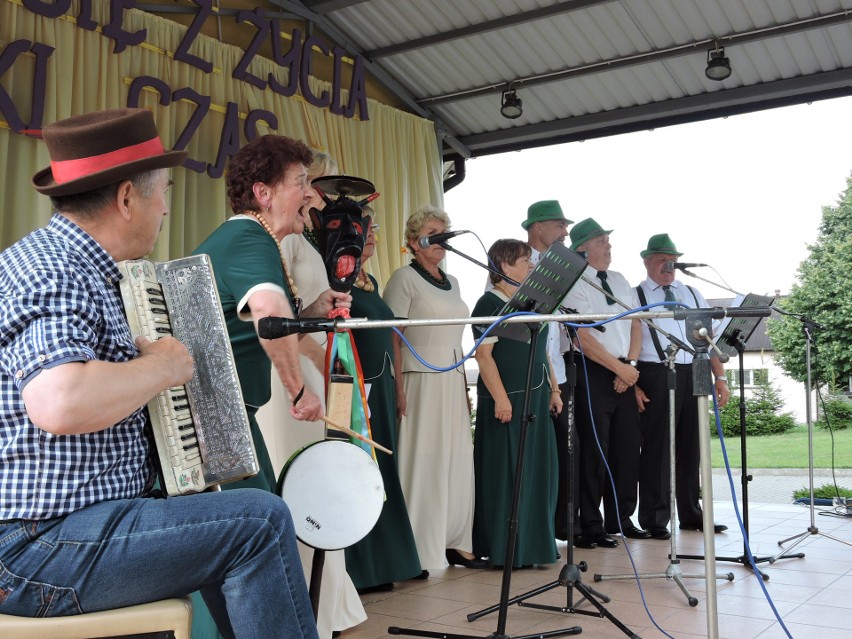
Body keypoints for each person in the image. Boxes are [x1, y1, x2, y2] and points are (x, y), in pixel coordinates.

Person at [0, 108, 317, 639]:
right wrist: (162, 366)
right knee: (259, 522)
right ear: (127, 198)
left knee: (218, 510)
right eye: (163, 192)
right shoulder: (55, 269)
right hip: (36, 548)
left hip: (67, 528)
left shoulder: (81, 267)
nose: (166, 209)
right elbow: (61, 403)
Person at [190, 134, 351, 638]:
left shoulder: (249, 239)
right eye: (301, 183)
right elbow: (266, 312)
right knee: (262, 536)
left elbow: (271, 320)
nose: (312, 195)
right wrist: (298, 389)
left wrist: (308, 318)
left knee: (240, 545)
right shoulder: (248, 236)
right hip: (216, 420)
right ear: (263, 193)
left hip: (218, 416)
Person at [274, 152, 367, 638]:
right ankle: (294, 603)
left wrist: (325, 303)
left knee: (320, 473)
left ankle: (326, 599)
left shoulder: (310, 240)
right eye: (305, 182)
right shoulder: (281, 239)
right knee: (296, 478)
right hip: (287, 370)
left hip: (313, 362)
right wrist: (313, 357)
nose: (312, 192)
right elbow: (278, 316)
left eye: (313, 184)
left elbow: (302, 304)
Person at [383, 205, 486, 570]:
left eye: (445, 231)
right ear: (414, 242)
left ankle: (455, 539)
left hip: (452, 374)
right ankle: (418, 545)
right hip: (419, 378)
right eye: (432, 231)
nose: (441, 238)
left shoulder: (454, 282)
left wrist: (462, 382)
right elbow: (393, 336)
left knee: (455, 457)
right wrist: (397, 386)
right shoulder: (403, 278)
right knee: (424, 458)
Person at [343, 206, 423, 591]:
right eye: (365, 227)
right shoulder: (338, 280)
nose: (373, 233)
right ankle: (364, 568)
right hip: (357, 391)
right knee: (362, 470)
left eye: (375, 226)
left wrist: (399, 387)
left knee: (384, 472)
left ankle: (391, 561)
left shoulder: (370, 280)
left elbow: (393, 334)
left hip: (384, 383)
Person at [471, 239, 561, 568]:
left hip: (536, 395)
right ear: (506, 266)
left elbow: (543, 351)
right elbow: (484, 356)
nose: (532, 267)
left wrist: (554, 389)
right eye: (526, 261)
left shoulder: (530, 302)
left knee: (540, 472)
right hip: (508, 401)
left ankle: (536, 546)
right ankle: (507, 549)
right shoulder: (487, 304)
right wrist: (500, 399)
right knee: (508, 474)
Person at [634, 234, 731, 538]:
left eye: (673, 258)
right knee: (658, 448)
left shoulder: (691, 292)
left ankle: (691, 513)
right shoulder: (635, 295)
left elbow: (709, 338)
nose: (669, 263)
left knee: (692, 446)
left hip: (696, 369)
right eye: (662, 257)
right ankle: (654, 518)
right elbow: (629, 340)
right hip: (656, 372)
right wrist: (635, 381)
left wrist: (721, 377)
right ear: (647, 261)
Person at [561, 217, 648, 549]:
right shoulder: (575, 281)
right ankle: (591, 524)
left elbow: (637, 323)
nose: (608, 246)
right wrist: (616, 368)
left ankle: (621, 518)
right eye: (601, 241)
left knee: (627, 449)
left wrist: (631, 366)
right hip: (593, 370)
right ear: (582, 247)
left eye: (608, 241)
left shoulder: (620, 279)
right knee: (595, 451)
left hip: (626, 370)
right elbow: (581, 335)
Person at [520, 200, 578, 541]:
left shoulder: (563, 266)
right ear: (538, 227)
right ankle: (540, 526)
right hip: (532, 374)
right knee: (540, 452)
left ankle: (562, 526)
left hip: (559, 371)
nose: (565, 232)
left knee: (568, 450)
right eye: (559, 225)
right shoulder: (515, 262)